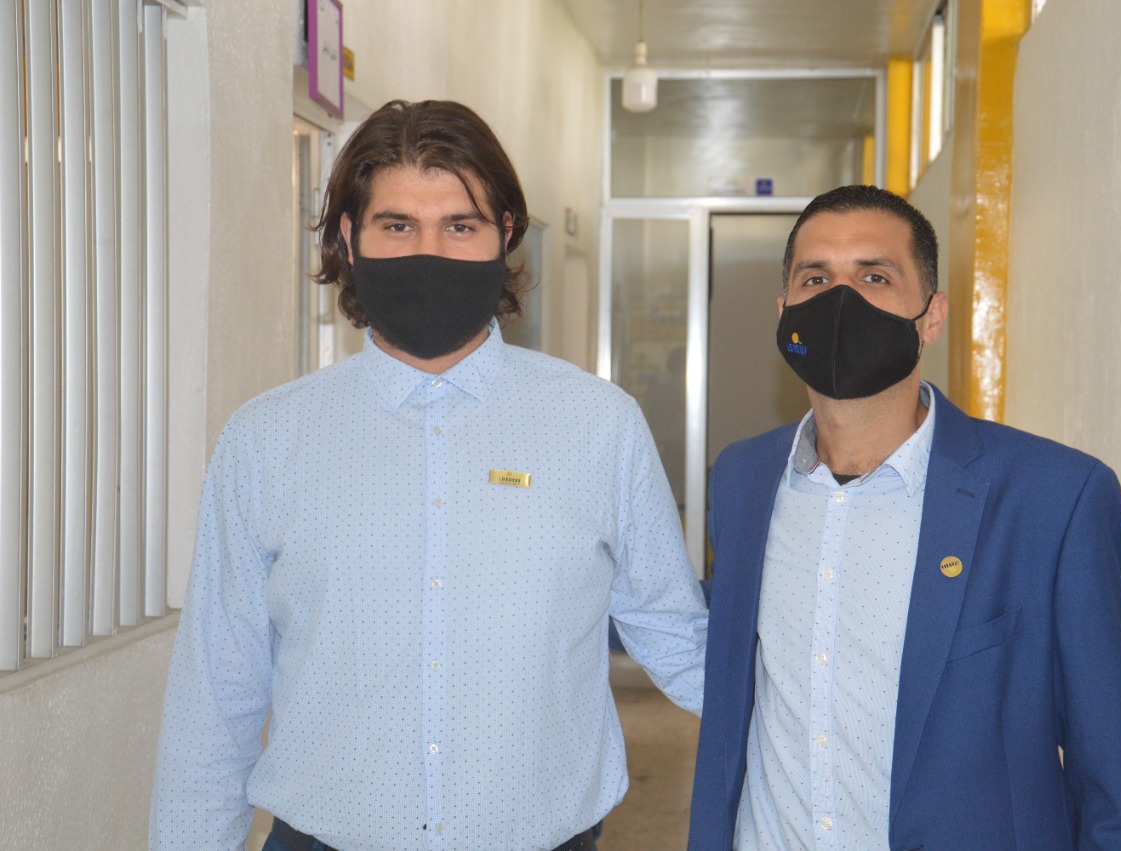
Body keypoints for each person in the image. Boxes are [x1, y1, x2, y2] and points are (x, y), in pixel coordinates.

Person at [150, 100, 708, 851]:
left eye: (460, 226)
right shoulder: (266, 440)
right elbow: (216, 695)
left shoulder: (599, 426)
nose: (429, 253)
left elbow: (679, 637)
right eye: (398, 226)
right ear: (349, 238)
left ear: (506, 234)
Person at [688, 185, 1121, 850]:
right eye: (816, 279)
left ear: (932, 316)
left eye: (874, 277)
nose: (841, 302)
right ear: (784, 312)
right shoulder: (743, 479)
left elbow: (1116, 779)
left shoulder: (1052, 498)